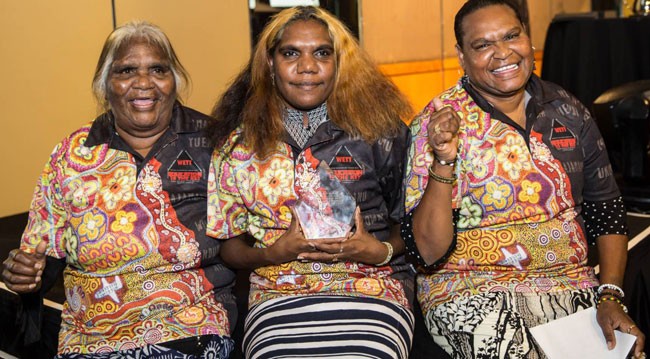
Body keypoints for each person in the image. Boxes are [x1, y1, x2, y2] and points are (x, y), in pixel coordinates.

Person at [401, 0, 647, 358]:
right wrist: (443, 160)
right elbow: (426, 252)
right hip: (471, 289)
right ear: (461, 55)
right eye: (483, 45)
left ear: (527, 38)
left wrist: (610, 296)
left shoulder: (566, 109)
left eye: (511, 36)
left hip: (571, 283)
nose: (502, 53)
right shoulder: (437, 123)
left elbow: (605, 209)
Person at [1, 21, 236, 358]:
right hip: (88, 337)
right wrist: (26, 272)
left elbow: (247, 236)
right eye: (126, 70)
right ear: (104, 85)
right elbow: (43, 253)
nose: (143, 83)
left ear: (175, 81)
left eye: (158, 69)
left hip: (189, 326)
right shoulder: (72, 153)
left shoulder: (212, 143)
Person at [206, 6, 415, 358]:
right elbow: (228, 247)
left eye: (322, 52)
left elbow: (414, 226)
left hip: (372, 289)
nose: (307, 66)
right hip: (277, 294)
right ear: (270, 64)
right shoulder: (237, 145)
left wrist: (379, 251)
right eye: (291, 53)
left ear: (339, 63)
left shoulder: (381, 132)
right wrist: (271, 254)